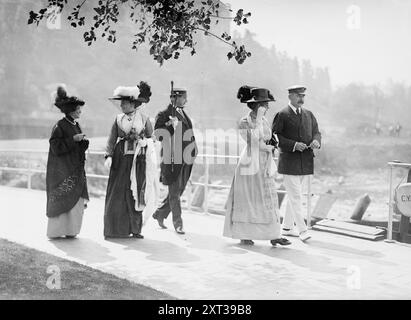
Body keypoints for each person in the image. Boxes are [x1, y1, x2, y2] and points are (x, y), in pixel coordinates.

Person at [223, 86, 291, 247]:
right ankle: (245, 234)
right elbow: (252, 141)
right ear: (257, 105)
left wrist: (272, 144)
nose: (267, 107)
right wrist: (259, 122)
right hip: (250, 162)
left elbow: (268, 137)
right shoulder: (244, 122)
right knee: (249, 198)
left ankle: (274, 234)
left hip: (264, 161)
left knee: (268, 197)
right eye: (265, 104)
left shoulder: (265, 120)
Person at [103, 82, 156, 239]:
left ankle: (135, 229)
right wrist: (109, 156)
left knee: (135, 193)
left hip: (138, 161)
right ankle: (114, 229)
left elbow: (151, 137)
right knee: (117, 192)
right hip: (120, 160)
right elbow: (111, 140)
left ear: (133, 103)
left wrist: (145, 142)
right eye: (121, 103)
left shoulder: (144, 119)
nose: (122, 106)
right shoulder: (118, 119)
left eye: (125, 103)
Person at [272, 85, 321, 242]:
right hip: (289, 161)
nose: (302, 98)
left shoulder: (308, 114)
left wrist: (316, 141)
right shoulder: (282, 114)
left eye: (303, 96)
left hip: (304, 161)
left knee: (295, 195)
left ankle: (286, 228)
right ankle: (302, 230)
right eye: (299, 95)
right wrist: (293, 145)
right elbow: (276, 137)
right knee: (296, 196)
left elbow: (317, 132)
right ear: (291, 96)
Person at [152, 87, 197, 234]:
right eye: (184, 97)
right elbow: (157, 134)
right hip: (172, 158)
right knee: (174, 192)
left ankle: (160, 213)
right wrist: (169, 125)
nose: (186, 100)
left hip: (186, 158)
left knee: (180, 190)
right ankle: (178, 223)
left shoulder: (183, 114)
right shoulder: (164, 115)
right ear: (174, 98)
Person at [46, 85, 89, 239]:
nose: (80, 111)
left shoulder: (75, 125)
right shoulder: (60, 125)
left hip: (75, 169)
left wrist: (83, 142)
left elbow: (76, 146)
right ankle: (57, 231)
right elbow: (55, 146)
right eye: (78, 109)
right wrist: (73, 139)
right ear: (71, 110)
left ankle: (71, 230)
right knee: (62, 199)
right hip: (61, 171)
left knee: (75, 201)